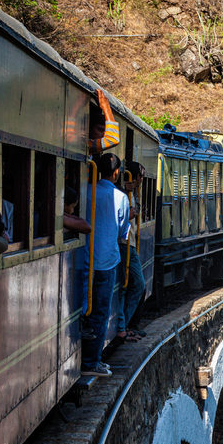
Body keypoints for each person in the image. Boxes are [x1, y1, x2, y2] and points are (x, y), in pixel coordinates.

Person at [77, 152, 129, 377]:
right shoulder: (120, 197)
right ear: (117, 173)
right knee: (100, 311)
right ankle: (91, 362)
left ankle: (82, 359)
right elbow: (121, 231)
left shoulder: (85, 191)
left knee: (83, 311)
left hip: (81, 258)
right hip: (106, 261)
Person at [117, 162, 147, 342]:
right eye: (142, 177)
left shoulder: (132, 193)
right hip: (124, 243)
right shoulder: (122, 193)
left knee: (132, 285)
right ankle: (125, 325)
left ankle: (126, 325)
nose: (142, 181)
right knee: (137, 284)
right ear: (135, 177)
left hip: (130, 243)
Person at [88, 89, 120, 154]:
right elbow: (113, 140)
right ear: (90, 129)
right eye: (100, 130)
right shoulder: (86, 144)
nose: (104, 134)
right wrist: (106, 107)